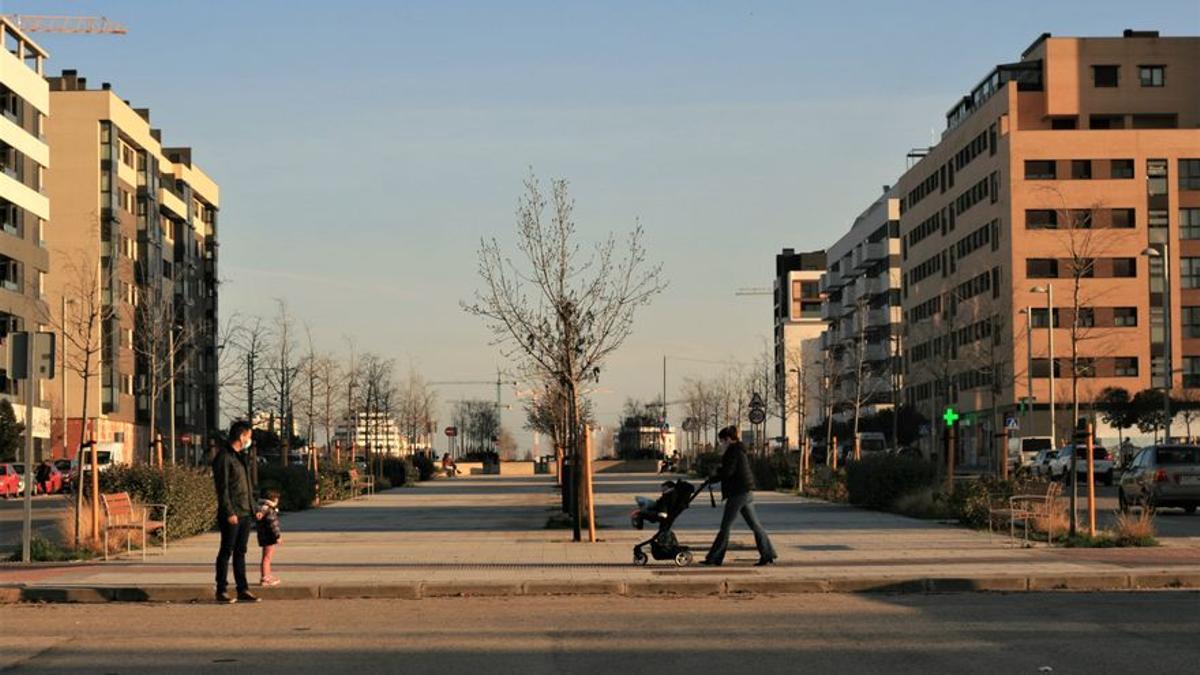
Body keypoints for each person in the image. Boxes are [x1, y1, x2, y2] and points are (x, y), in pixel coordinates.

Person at [702, 426, 777, 567]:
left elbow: (728, 472)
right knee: (755, 525)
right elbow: (730, 470)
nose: (721, 444)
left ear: (728, 439)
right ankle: (767, 554)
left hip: (738, 493)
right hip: (746, 491)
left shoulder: (733, 451)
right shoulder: (739, 450)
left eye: (722, 441)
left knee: (726, 526)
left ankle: (714, 558)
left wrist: (714, 477)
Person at [212, 421, 259, 603]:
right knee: (226, 551)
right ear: (241, 436)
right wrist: (229, 511)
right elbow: (222, 488)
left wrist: (254, 509)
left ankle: (243, 589)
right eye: (249, 436)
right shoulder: (224, 457)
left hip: (245, 511)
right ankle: (221, 589)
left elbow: (246, 485)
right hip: (232, 513)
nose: (250, 439)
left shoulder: (240, 457)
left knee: (241, 552)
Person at [254, 487, 283, 587]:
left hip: (263, 535)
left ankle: (267, 575)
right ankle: (265, 577)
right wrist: (277, 536)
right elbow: (273, 524)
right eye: (276, 498)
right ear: (272, 498)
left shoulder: (261, 508)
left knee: (266, 557)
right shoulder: (269, 509)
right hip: (269, 536)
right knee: (267, 557)